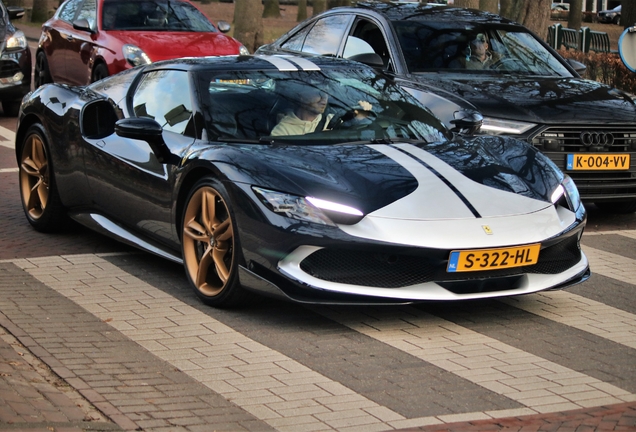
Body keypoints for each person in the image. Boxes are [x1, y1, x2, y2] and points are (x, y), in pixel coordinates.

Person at [271, 86, 374, 136]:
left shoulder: (333, 121)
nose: (324, 99)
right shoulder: (282, 131)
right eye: (318, 94)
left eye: (326, 94)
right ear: (302, 97)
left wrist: (361, 116)